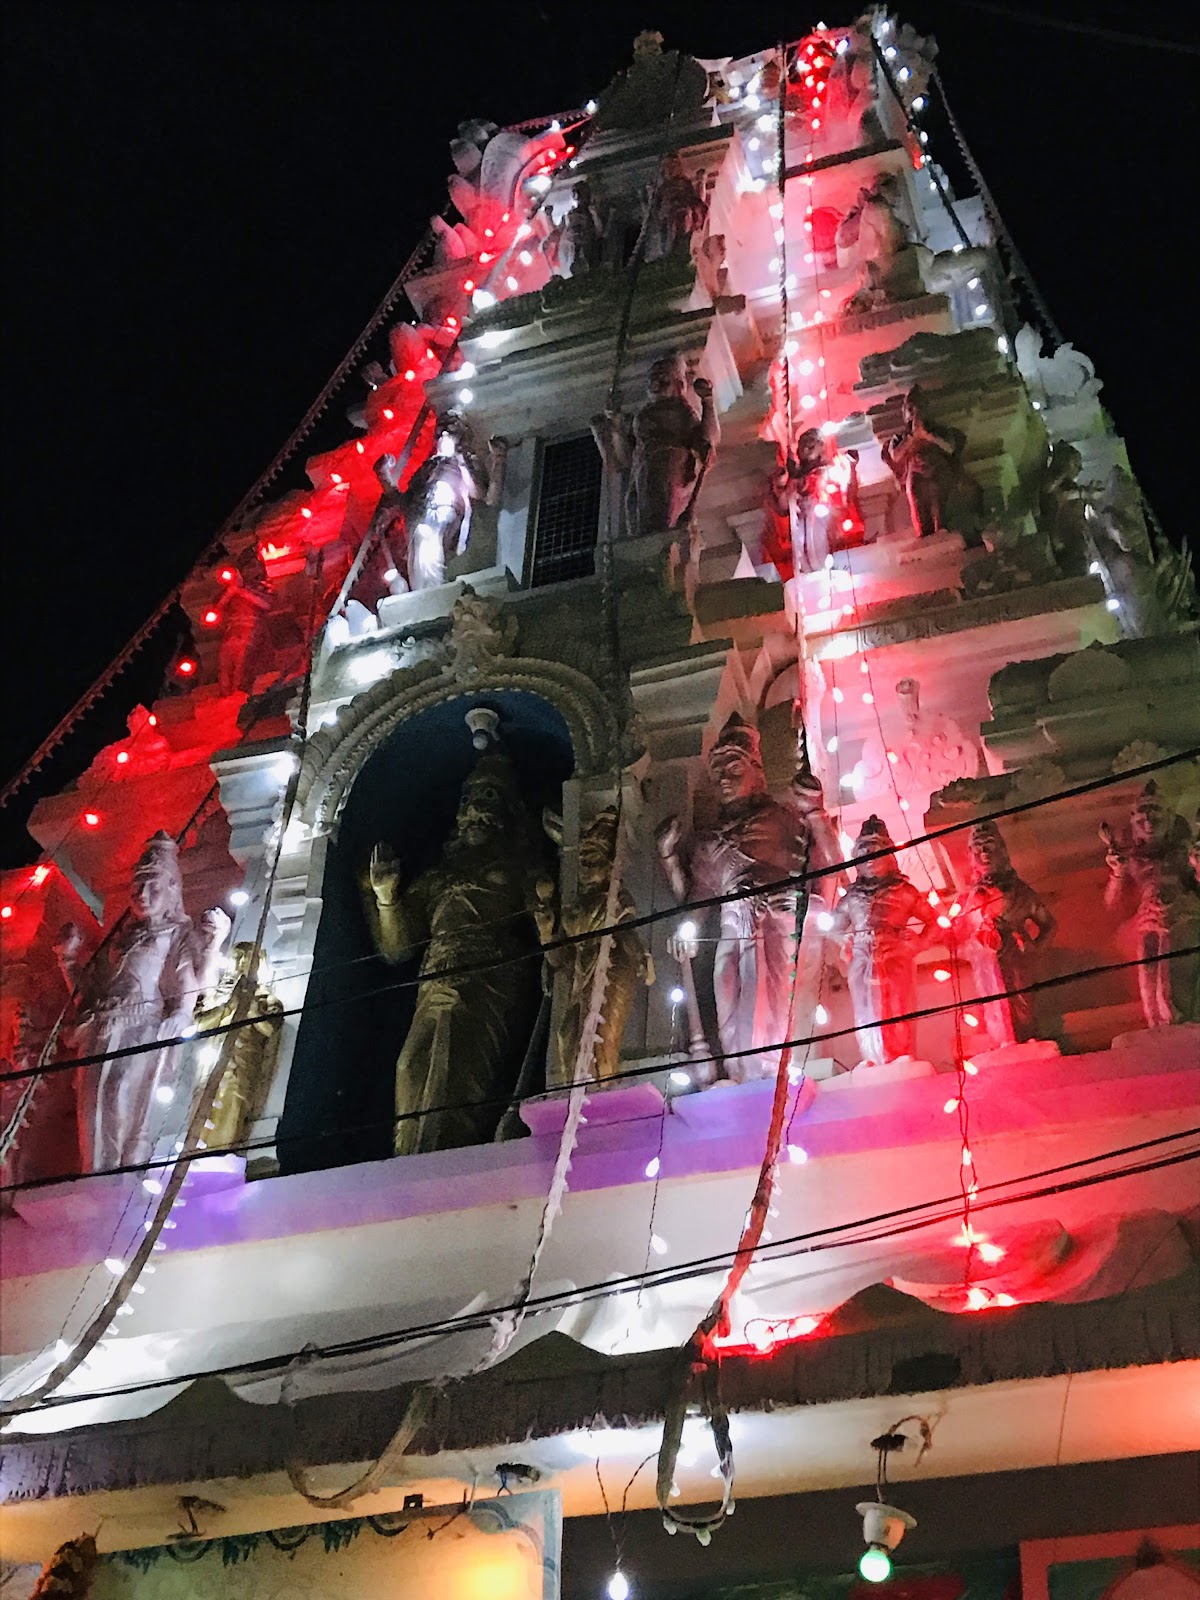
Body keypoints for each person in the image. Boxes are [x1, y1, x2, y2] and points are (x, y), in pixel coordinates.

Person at [365, 742, 547, 1154]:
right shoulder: (436, 876)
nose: (475, 811)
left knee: (463, 1077)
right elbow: (398, 950)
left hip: (490, 980)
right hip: (434, 978)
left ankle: (452, 1158)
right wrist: (386, 896)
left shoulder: (521, 865)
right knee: (410, 1067)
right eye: (468, 800)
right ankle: (410, 1158)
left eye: (488, 799)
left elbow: (545, 919)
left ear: (507, 811)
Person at [657, 711, 838, 1081]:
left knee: (762, 1018)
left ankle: (764, 1075)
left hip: (772, 925)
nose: (723, 777)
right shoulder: (709, 841)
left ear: (757, 769)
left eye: (733, 766)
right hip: (730, 927)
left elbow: (830, 868)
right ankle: (738, 1076)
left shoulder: (783, 819)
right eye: (718, 769)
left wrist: (817, 815)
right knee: (729, 1012)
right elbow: (698, 901)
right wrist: (669, 857)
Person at [61, 833, 228, 1171]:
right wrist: (67, 962)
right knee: (90, 1103)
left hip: (143, 1023)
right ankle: (92, 1173)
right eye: (136, 887)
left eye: (152, 886)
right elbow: (91, 993)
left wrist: (215, 942)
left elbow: (191, 983)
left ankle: (122, 1171)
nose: (142, 895)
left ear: (172, 889)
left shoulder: (178, 933)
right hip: (103, 1026)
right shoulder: (120, 939)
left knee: (118, 1093)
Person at [828, 815, 937, 1066]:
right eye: (864, 853)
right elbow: (832, 926)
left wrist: (916, 944)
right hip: (862, 958)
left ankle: (900, 1054)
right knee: (865, 1008)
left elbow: (935, 923)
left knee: (897, 1004)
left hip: (895, 955)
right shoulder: (853, 897)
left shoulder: (903, 891)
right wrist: (845, 940)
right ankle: (871, 1056)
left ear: (889, 855)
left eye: (876, 851)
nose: (870, 859)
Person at [958, 820, 1055, 1047]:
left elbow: (1049, 924)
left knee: (1021, 1002)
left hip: (1016, 955)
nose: (984, 852)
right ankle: (1002, 1041)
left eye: (989, 845)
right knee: (993, 1004)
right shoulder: (967, 898)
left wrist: (1035, 949)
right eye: (978, 847)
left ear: (1001, 850)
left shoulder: (1020, 891)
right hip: (985, 961)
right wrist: (974, 947)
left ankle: (1025, 1038)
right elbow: (954, 938)